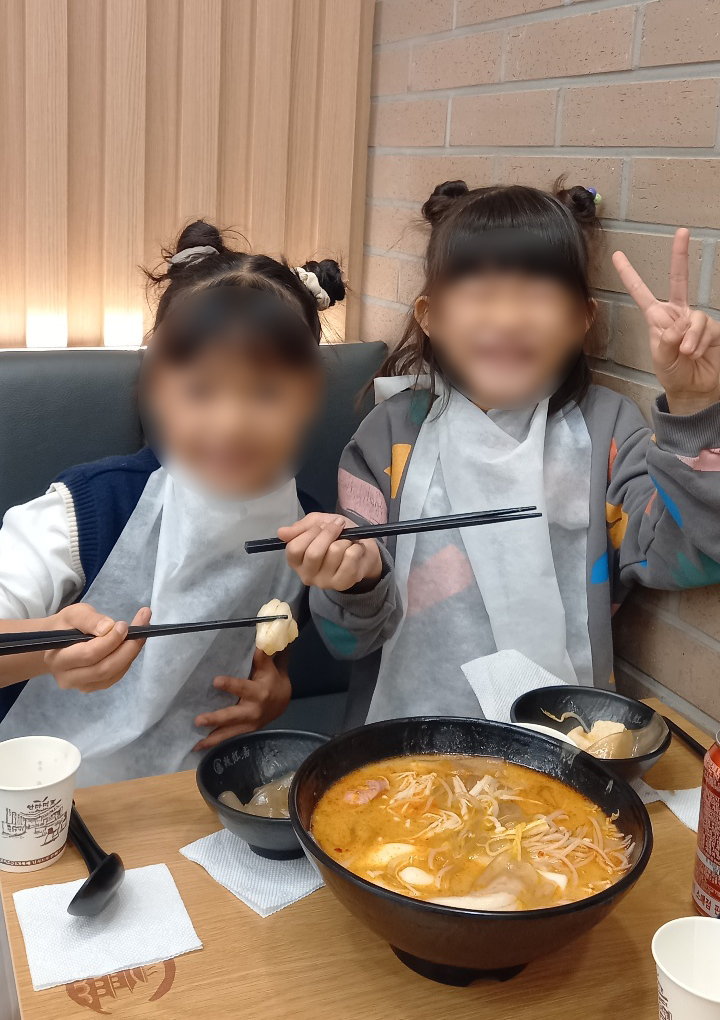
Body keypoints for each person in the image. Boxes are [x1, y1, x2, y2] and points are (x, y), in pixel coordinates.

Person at [285, 180, 720, 728]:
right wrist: (356, 577)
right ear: (430, 316)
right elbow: (345, 639)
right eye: (480, 295)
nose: (509, 320)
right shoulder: (387, 437)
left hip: (563, 744)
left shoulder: (606, 432)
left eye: (538, 297)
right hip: (399, 747)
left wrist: (694, 405)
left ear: (581, 319)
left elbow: (695, 554)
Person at [0, 220, 386, 783]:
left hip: (201, 794)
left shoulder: (302, 528)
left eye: (266, 393)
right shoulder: (89, 509)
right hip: (39, 793)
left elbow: (271, 648)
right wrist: (46, 649)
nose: (231, 424)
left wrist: (275, 691)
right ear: (158, 393)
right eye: (201, 390)